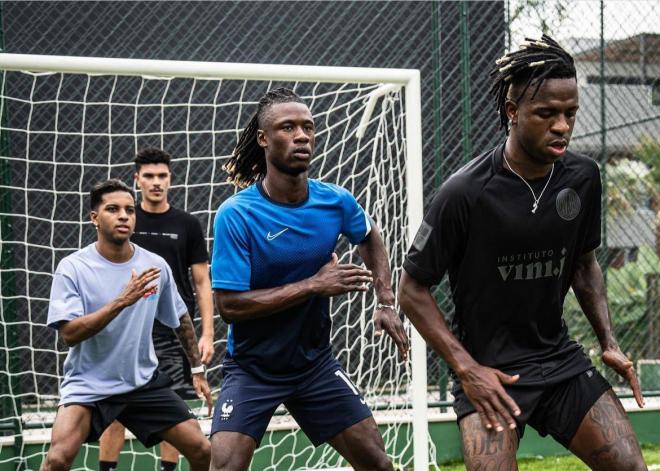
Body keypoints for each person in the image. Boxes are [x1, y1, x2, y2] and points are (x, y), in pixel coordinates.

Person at [398, 35, 647, 470]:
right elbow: (411, 290)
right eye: (547, 114)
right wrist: (467, 370)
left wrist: (608, 340)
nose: (563, 126)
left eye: (570, 113)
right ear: (513, 112)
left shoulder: (583, 178)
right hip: (490, 373)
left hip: (560, 363)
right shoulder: (464, 192)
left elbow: (585, 267)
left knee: (630, 466)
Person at [209, 88, 409, 471]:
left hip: (314, 366)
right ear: (263, 139)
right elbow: (230, 307)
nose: (302, 135)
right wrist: (314, 285)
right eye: (288, 127)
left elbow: (369, 236)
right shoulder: (236, 215)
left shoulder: (335, 202)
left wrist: (385, 300)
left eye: (308, 127)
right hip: (252, 369)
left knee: (379, 465)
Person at [42, 179, 212, 471]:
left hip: (142, 383)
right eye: (113, 209)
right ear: (94, 217)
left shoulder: (154, 266)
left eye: (129, 210)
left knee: (202, 449)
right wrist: (122, 301)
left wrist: (197, 370)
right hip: (88, 386)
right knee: (58, 459)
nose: (124, 216)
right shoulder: (73, 267)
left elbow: (180, 318)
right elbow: (69, 335)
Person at [98, 148, 214, 471]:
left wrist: (206, 332)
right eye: (148, 176)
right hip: (129, 329)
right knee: (115, 408)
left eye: (162, 175)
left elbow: (202, 281)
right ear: (137, 179)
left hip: (174, 332)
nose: (156, 182)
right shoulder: (123, 219)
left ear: (171, 179)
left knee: (173, 408)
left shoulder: (187, 224)